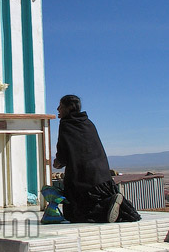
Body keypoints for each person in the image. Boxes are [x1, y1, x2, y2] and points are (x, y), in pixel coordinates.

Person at [53, 95, 140, 223]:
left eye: (60, 106)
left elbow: (64, 151)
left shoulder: (66, 124)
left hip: (82, 175)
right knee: (98, 197)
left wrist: (58, 162)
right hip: (101, 174)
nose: (57, 109)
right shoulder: (88, 122)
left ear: (69, 108)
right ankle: (113, 204)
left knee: (75, 213)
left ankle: (106, 207)